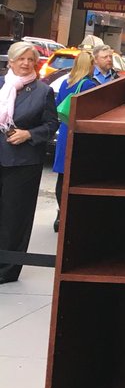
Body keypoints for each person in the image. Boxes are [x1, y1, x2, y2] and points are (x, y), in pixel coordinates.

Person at [0, 41, 59, 284]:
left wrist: (29, 134)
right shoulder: (1, 85)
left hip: (23, 162)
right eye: (20, 59)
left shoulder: (42, 91)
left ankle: (7, 269)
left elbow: (51, 124)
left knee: (15, 217)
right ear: (11, 62)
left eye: (30, 59)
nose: (25, 63)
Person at [52, 50, 97, 232]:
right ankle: (72, 215)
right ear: (89, 65)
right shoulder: (89, 85)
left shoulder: (66, 82)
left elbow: (58, 106)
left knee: (62, 175)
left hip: (65, 129)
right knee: (76, 174)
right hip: (79, 132)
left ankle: (61, 213)